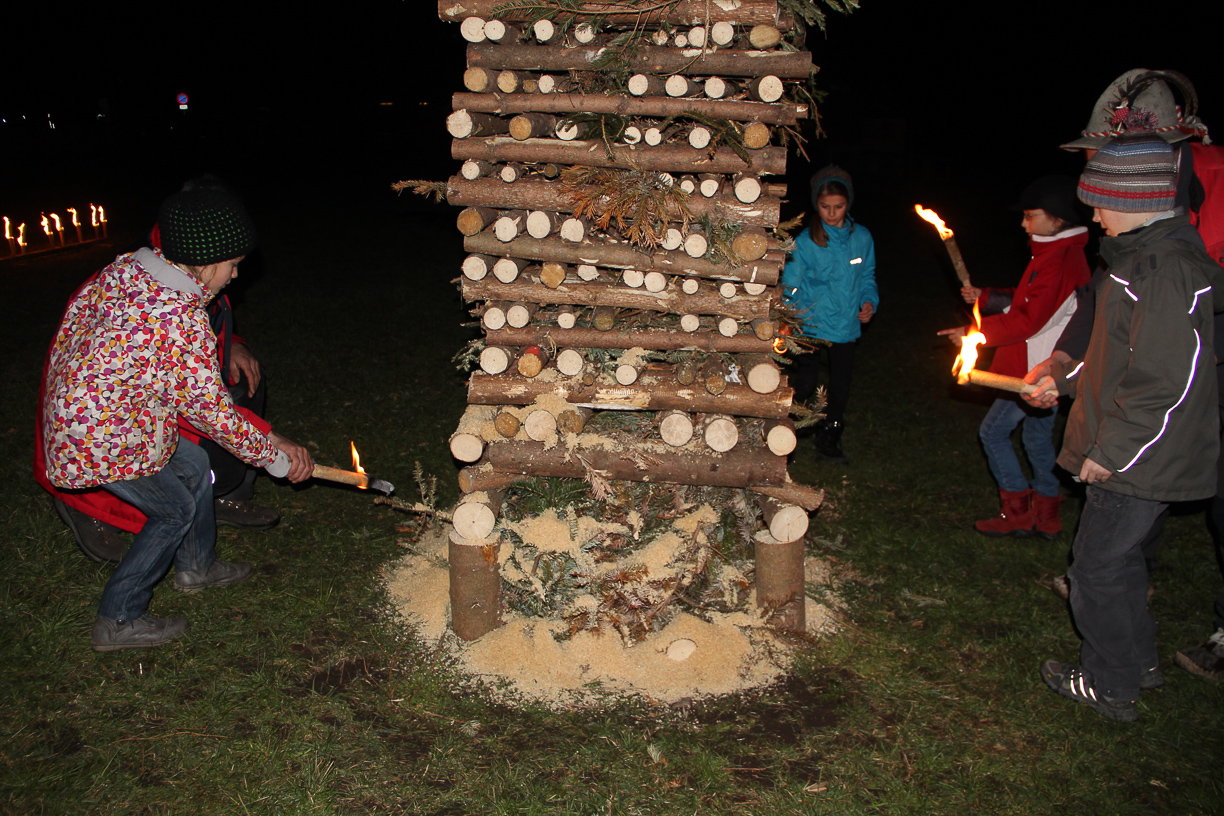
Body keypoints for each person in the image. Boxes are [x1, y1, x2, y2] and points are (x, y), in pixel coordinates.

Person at [40, 187, 313, 651]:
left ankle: (197, 567)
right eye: (233, 264)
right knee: (173, 510)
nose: (236, 274)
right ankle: (118, 619)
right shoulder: (178, 317)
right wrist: (274, 457)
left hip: (101, 416)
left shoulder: (130, 268)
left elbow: (75, 321)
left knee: (192, 464)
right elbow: (213, 414)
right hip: (101, 437)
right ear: (204, 261)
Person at [1025, 69, 1224, 683]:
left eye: (1099, 204)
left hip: (1137, 454)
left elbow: (1164, 379)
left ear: (1134, 203)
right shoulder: (1134, 260)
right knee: (1120, 561)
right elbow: (1117, 355)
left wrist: (1112, 451)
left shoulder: (1162, 271)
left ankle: (1109, 683)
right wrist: (1063, 379)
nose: (1093, 218)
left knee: (1096, 568)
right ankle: (1134, 666)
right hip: (1134, 447)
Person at [939, 176, 1090, 538]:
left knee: (993, 433)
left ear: (1057, 218)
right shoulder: (1057, 253)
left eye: (1030, 215)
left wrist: (976, 333)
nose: (1023, 223)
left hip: (1034, 368)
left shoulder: (1056, 261)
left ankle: (1018, 513)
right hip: (1046, 365)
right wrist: (986, 297)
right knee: (1037, 439)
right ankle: (1048, 516)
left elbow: (1029, 319)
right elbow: (1031, 301)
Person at [781, 165, 878, 463]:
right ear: (816, 204)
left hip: (845, 324)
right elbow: (791, 284)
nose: (832, 213)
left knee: (840, 386)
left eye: (839, 206)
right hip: (810, 323)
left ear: (848, 203)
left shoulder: (861, 238)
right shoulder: (806, 242)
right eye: (825, 207)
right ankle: (785, 434)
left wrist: (869, 302)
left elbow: (867, 276)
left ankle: (829, 440)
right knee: (806, 383)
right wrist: (786, 316)